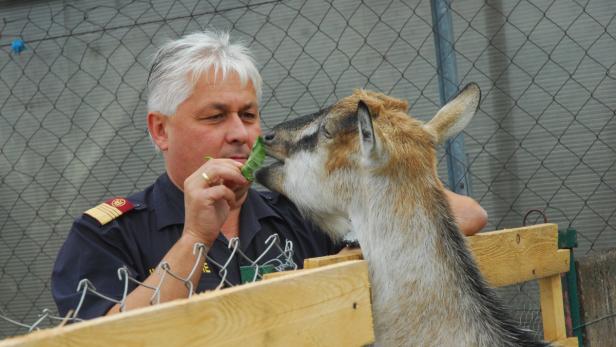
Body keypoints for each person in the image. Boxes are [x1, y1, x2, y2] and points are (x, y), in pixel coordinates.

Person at [52, 30, 487, 319]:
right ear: (160, 129)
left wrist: (347, 256)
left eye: (249, 114)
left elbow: (467, 216)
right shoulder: (108, 232)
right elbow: (103, 339)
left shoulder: (301, 209)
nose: (241, 134)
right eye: (216, 117)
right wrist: (194, 240)